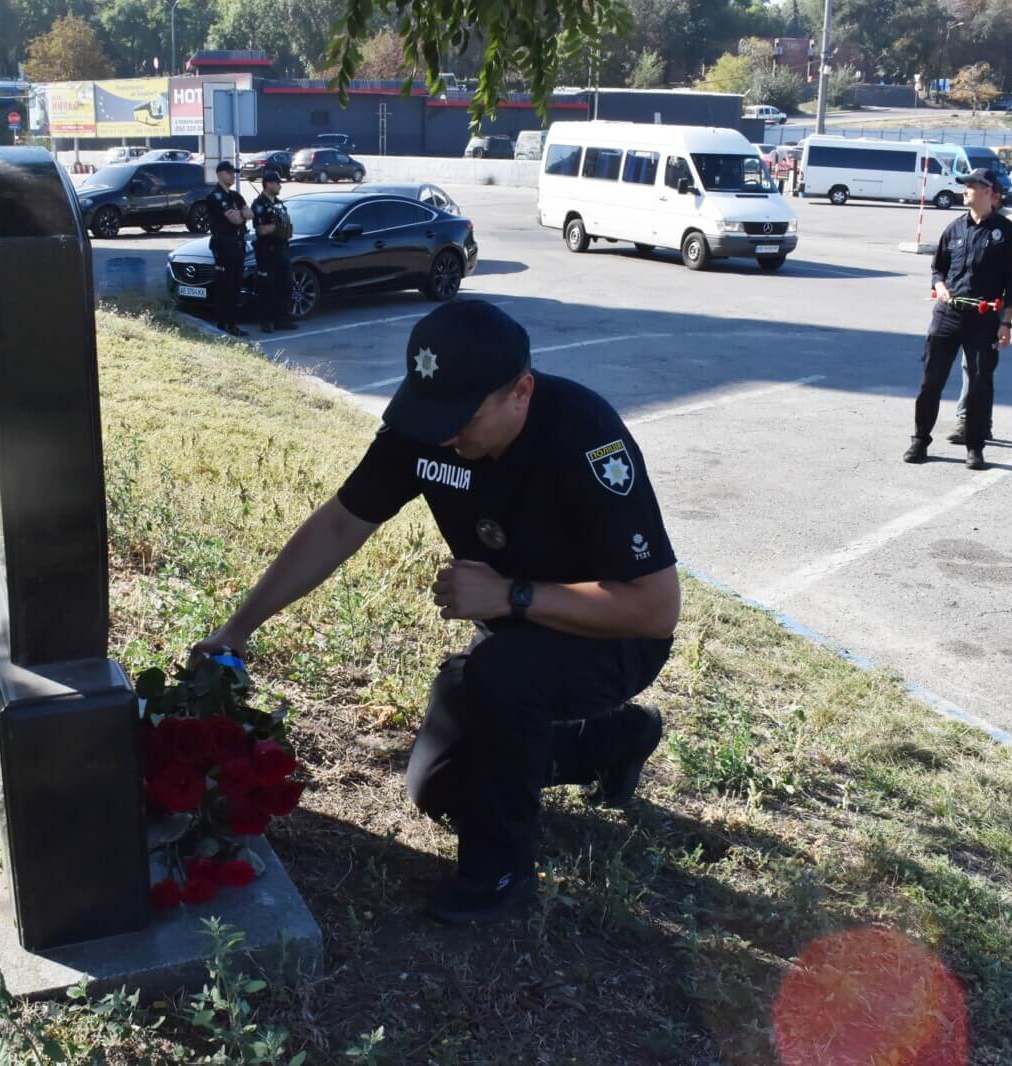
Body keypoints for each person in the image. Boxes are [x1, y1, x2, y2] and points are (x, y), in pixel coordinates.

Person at [192, 301, 681, 925]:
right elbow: (342, 523)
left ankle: (499, 874)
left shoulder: (585, 437)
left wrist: (512, 596)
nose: (444, 435)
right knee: (438, 786)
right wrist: (238, 627)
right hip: (514, 633)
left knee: (503, 676)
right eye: (431, 415)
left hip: (611, 638)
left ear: (521, 393)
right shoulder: (429, 423)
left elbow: (655, 610)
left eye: (462, 419)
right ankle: (608, 743)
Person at [904, 169, 1012, 470]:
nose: (966, 190)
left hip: (983, 319)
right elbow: (938, 268)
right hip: (947, 315)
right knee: (931, 381)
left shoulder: (1005, 232)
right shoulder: (954, 227)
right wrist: (940, 286)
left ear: (989, 192)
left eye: (972, 186)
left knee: (980, 385)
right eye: (965, 186)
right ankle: (920, 439)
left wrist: (1006, 323)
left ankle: (975, 446)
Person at [948, 180, 1012, 445]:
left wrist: (1007, 292)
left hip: (992, 306)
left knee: (977, 365)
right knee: (971, 363)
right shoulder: (969, 219)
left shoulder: (1010, 221)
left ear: (994, 195)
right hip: (966, 302)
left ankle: (969, 420)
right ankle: (977, 421)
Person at [205, 161, 251, 337]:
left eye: (233, 173)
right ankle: (225, 323)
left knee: (236, 286)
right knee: (226, 286)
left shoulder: (235, 196)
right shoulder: (215, 196)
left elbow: (249, 213)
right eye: (228, 173)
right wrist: (240, 214)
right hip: (224, 246)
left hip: (237, 245)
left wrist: (240, 214)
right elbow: (236, 219)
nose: (232, 176)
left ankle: (232, 323)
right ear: (219, 174)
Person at [250, 169, 297, 334]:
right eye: (277, 183)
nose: (279, 186)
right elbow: (261, 230)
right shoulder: (259, 204)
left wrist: (284, 229)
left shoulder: (278, 203)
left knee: (285, 285)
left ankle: (281, 319)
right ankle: (266, 321)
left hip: (282, 248)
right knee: (267, 287)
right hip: (267, 250)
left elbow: (286, 224)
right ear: (268, 184)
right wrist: (277, 227)